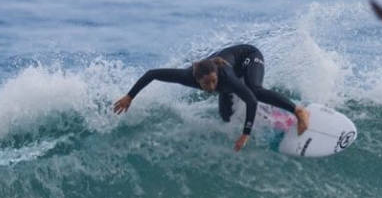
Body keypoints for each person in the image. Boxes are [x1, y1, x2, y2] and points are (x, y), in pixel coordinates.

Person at [113, 44, 309, 152]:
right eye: (206, 83)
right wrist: (130, 96)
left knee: (254, 90)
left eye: (213, 81)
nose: (210, 87)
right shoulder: (186, 76)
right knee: (225, 116)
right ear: (196, 79)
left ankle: (297, 110)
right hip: (227, 71)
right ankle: (271, 117)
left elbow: (251, 100)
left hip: (249, 57)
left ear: (217, 75)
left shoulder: (226, 78)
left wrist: (245, 133)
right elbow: (152, 74)